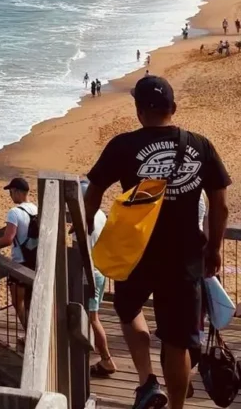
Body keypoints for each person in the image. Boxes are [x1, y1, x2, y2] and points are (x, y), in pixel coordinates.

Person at [84, 75, 230, 409]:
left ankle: (147, 381)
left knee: (127, 310)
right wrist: (214, 248)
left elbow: (91, 197)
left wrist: (85, 233)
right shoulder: (200, 144)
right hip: (185, 258)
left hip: (136, 253)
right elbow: (220, 204)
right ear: (173, 108)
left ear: (138, 111)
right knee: (177, 341)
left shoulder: (122, 145)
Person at [0, 177, 37, 329]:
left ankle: (29, 333)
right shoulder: (36, 209)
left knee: (17, 302)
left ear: (18, 192)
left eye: (11, 192)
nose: (10, 196)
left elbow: (8, 239)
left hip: (19, 262)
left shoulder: (14, 212)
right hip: (34, 261)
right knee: (30, 300)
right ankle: (32, 332)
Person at [80, 180, 116, 377]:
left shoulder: (86, 220)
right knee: (89, 316)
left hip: (89, 274)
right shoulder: (102, 215)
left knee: (92, 319)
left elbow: (79, 250)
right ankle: (92, 353)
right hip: (99, 271)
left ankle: (107, 359)